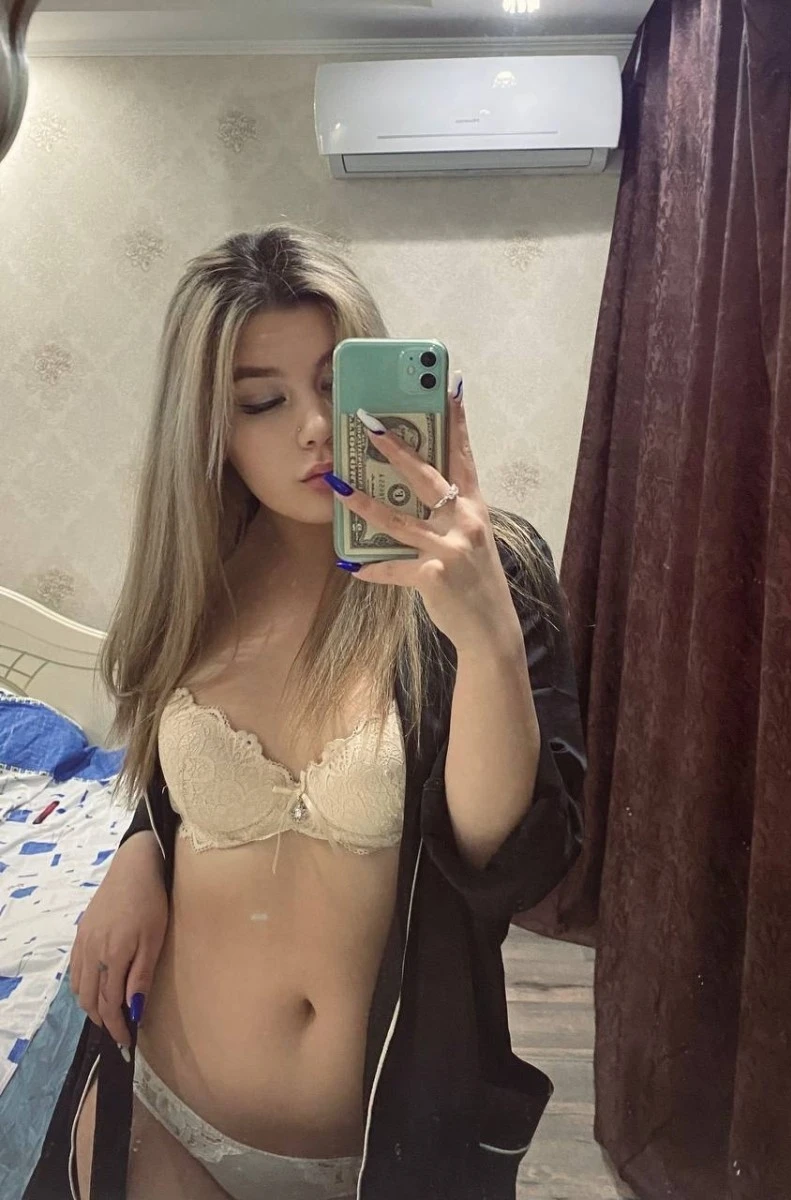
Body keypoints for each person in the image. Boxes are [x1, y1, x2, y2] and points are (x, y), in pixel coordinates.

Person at [25, 225, 586, 1200]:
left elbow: (510, 866)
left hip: (387, 1147)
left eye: (336, 384)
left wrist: (487, 638)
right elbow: (171, 777)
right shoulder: (196, 582)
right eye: (262, 400)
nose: (316, 427)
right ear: (209, 426)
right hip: (160, 1108)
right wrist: (139, 848)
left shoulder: (483, 572)